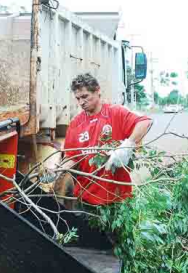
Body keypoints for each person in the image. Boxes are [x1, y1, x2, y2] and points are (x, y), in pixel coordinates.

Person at [62, 73, 152, 207]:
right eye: (78, 98)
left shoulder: (115, 112)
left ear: (98, 91)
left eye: (85, 96)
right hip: (85, 198)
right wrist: (60, 169)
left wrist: (127, 145)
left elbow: (145, 122)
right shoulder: (76, 123)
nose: (81, 102)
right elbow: (72, 157)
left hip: (117, 198)